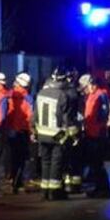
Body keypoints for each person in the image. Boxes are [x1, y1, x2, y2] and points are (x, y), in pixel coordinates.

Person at [34, 69, 75, 201]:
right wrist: (70, 135)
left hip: (42, 134)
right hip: (56, 135)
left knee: (45, 162)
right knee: (56, 163)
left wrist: (34, 131)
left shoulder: (41, 93)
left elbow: (35, 116)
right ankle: (54, 191)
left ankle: (44, 191)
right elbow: (65, 119)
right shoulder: (62, 95)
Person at [78, 74, 110, 198]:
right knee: (94, 164)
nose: (84, 91)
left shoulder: (100, 95)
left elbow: (103, 115)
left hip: (98, 135)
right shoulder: (91, 96)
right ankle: (99, 188)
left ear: (90, 85)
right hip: (91, 134)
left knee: (98, 164)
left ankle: (104, 189)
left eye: (84, 88)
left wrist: (96, 128)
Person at [5, 72, 34, 194]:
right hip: (22, 131)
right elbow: (30, 117)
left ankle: (10, 178)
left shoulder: (8, 95)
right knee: (21, 158)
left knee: (11, 156)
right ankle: (17, 182)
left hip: (10, 130)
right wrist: (32, 132)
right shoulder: (28, 98)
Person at [62, 69, 84, 194]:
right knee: (75, 158)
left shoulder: (62, 93)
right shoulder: (76, 93)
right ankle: (76, 185)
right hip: (75, 129)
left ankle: (66, 183)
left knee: (63, 157)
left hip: (63, 130)